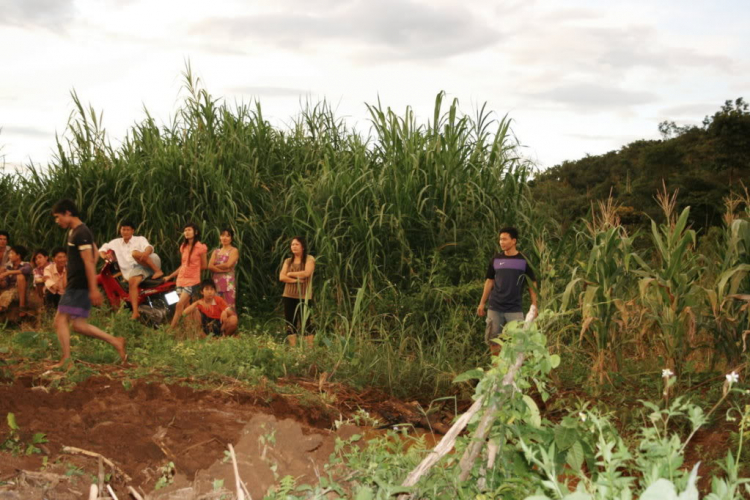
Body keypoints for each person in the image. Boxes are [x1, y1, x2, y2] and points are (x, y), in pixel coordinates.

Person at [50, 199, 126, 368]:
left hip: (78, 285)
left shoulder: (81, 233)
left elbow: (90, 262)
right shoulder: (77, 231)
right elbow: (96, 253)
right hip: (79, 283)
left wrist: (93, 289)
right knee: (79, 325)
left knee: (60, 321)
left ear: (68, 213)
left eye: (57, 217)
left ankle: (66, 360)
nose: (57, 221)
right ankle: (116, 341)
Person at [477, 226, 538, 355]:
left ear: (514, 241)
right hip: (495, 307)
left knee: (519, 344)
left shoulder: (523, 260)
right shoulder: (496, 259)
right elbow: (489, 281)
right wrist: (482, 303)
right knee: (494, 342)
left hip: (514, 309)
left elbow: (532, 284)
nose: (501, 242)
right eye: (500, 239)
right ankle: (496, 371)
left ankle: (514, 373)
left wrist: (534, 306)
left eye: (505, 239)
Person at [99, 219, 163, 319]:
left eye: (128, 230)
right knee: (132, 281)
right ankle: (137, 311)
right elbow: (103, 249)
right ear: (120, 231)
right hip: (136, 270)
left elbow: (149, 247)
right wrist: (104, 256)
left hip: (150, 262)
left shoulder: (140, 239)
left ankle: (158, 271)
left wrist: (145, 254)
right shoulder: (116, 243)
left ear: (132, 231)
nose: (125, 232)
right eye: (123, 229)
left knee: (134, 254)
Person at [164, 222, 208, 329]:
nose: (186, 232)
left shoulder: (200, 247)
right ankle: (192, 330)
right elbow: (183, 265)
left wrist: (192, 271)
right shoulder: (183, 246)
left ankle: (171, 330)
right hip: (180, 280)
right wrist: (170, 276)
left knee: (179, 304)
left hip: (192, 281)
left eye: (189, 230)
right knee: (186, 306)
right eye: (185, 230)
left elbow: (204, 265)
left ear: (195, 232)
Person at [278, 236, 316, 347]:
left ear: (303, 246)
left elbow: (307, 273)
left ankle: (309, 349)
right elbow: (281, 277)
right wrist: (296, 280)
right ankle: (293, 349)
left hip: (304, 295)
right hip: (288, 295)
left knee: (306, 322)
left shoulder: (309, 259)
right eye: (292, 245)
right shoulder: (288, 261)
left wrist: (290, 274)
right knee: (290, 322)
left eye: (296, 244)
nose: (294, 247)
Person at [208, 227, 238, 308]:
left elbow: (228, 265)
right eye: (222, 235)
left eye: (227, 236)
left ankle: (229, 321)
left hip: (228, 283)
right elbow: (210, 266)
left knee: (228, 306)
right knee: (216, 306)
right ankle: (217, 321)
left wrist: (215, 266)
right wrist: (222, 270)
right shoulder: (216, 251)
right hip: (216, 282)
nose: (224, 238)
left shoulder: (234, 250)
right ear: (219, 237)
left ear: (231, 238)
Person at [0, 245, 32, 313]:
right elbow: (5, 284)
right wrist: (1, 280)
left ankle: (22, 307)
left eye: (11, 253)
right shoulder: (9, 267)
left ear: (18, 256)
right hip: (10, 291)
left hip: (23, 292)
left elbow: (25, 270)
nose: (9, 255)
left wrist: (8, 273)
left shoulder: (26, 264)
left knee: (20, 277)